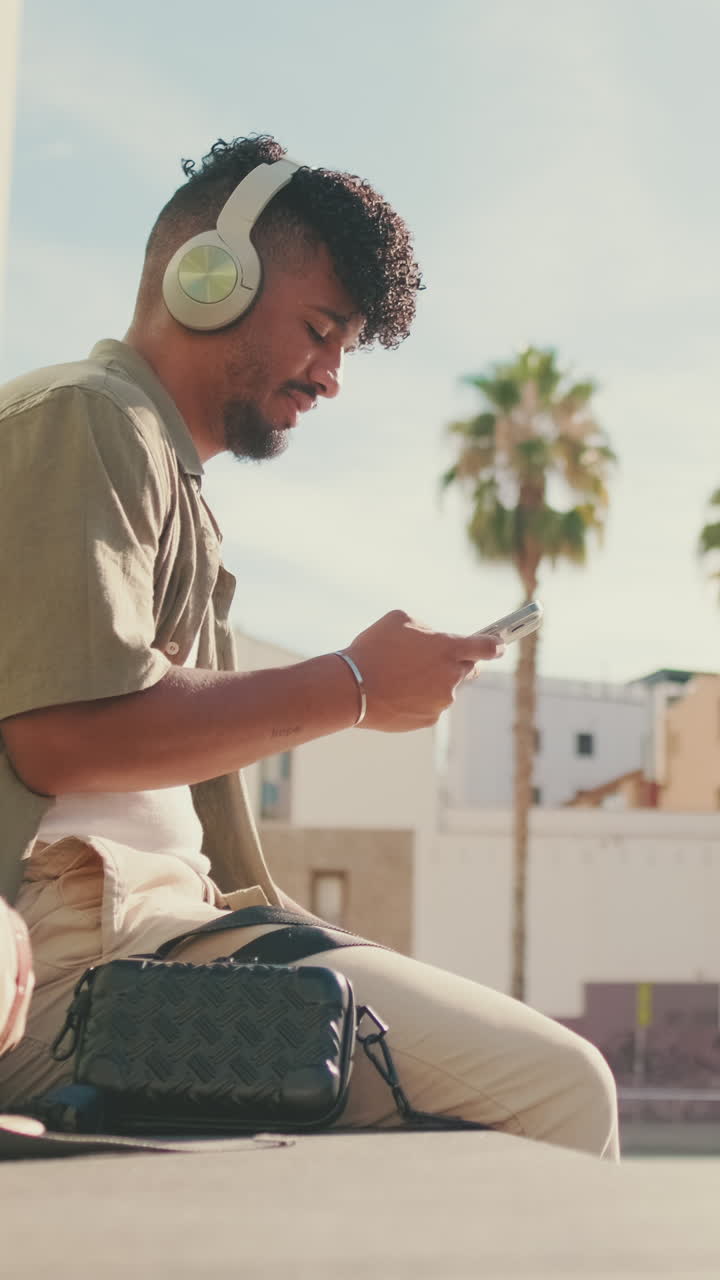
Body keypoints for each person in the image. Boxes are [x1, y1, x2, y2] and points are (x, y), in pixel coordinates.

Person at [0, 135, 619, 1158]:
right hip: (80, 951)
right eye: (321, 330)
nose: (332, 376)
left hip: (163, 934)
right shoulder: (88, 418)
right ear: (209, 279)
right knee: (556, 1093)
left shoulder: (160, 472)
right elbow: (60, 738)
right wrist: (355, 685)